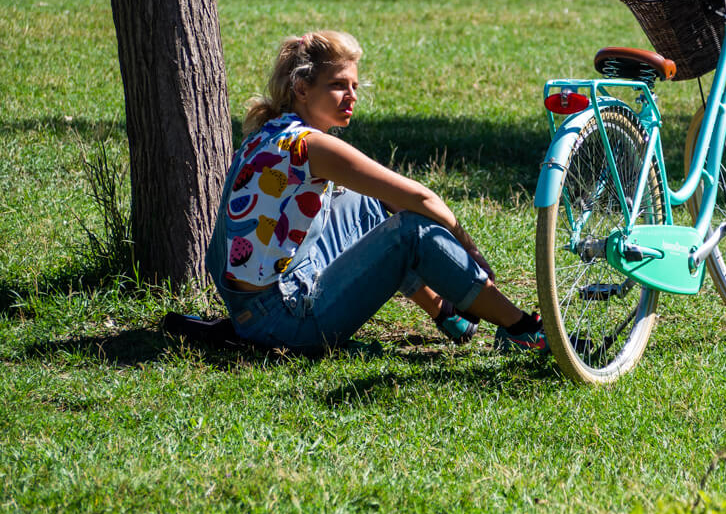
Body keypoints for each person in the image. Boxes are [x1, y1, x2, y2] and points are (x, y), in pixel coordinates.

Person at [204, 30, 546, 354]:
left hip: (253, 309)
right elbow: (422, 199)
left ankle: (446, 313)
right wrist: (468, 247)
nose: (351, 96)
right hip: (284, 324)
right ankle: (521, 329)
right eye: (338, 85)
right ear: (301, 88)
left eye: (354, 85)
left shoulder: (269, 131)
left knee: (366, 203)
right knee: (412, 233)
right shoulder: (312, 147)